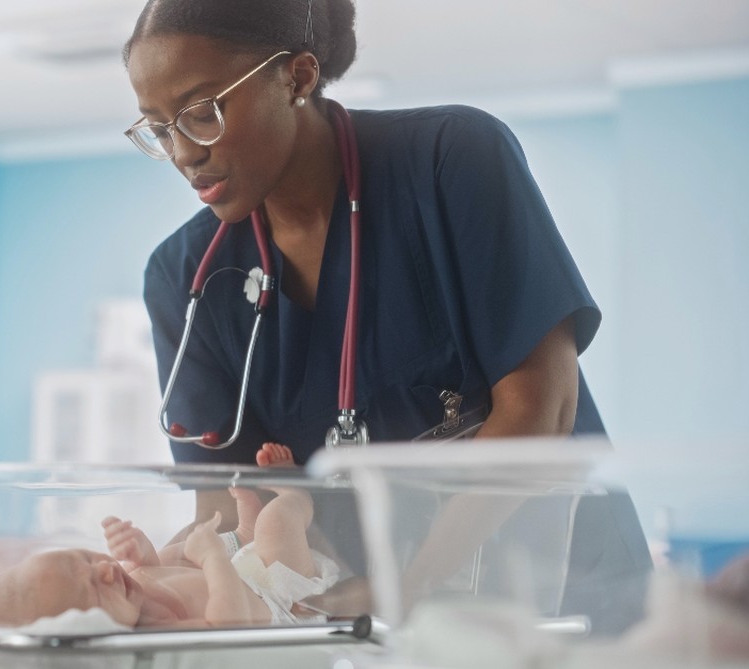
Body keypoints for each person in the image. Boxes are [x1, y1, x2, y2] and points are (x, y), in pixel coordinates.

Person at [124, 0, 651, 634]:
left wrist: (407, 586)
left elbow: (542, 408)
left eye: (202, 112)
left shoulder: (451, 159)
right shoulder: (184, 277)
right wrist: (151, 582)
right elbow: (227, 503)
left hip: (561, 603)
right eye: (158, 127)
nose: (183, 152)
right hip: (362, 621)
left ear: (296, 77)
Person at [0, 444, 344, 628]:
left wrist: (144, 554)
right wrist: (213, 558)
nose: (105, 571)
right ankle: (295, 493)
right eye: (93, 589)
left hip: (247, 573)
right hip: (282, 602)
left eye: (86, 559)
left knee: (171, 555)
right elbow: (228, 622)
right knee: (275, 523)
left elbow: (167, 574)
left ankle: (243, 533)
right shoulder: (156, 631)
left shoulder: (129, 587)